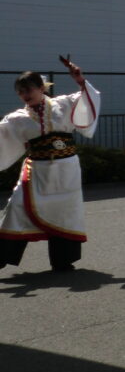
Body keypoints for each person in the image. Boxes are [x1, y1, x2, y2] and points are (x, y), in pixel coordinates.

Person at [0, 59, 100, 271]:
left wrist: (80, 80)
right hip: (37, 171)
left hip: (66, 170)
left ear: (40, 88)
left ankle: (63, 261)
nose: (25, 95)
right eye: (20, 92)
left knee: (65, 211)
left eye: (28, 90)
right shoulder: (16, 119)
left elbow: (89, 99)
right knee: (16, 206)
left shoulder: (64, 104)